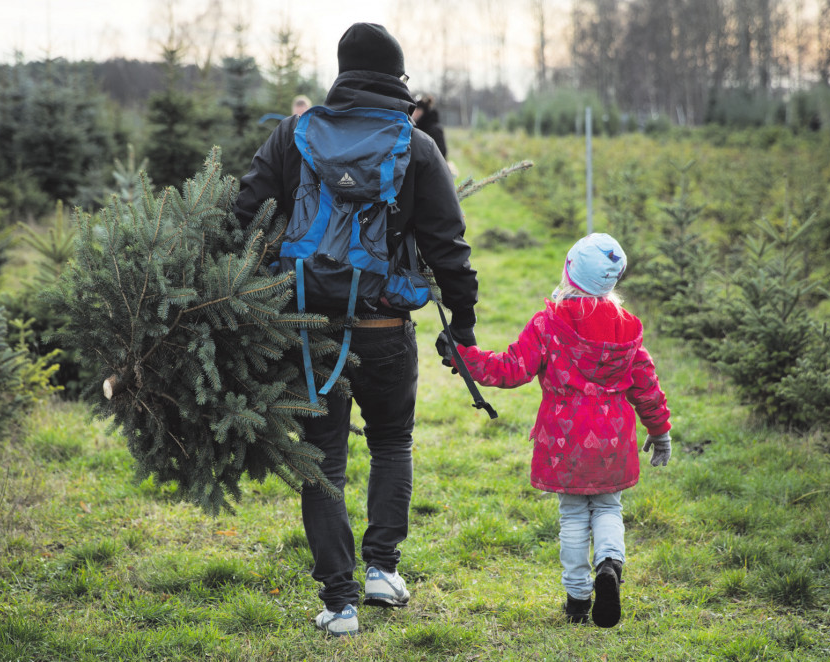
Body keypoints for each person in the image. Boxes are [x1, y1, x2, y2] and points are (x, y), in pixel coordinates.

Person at [233, 22, 479, 636]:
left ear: (342, 73)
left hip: (306, 325)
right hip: (385, 324)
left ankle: (339, 604)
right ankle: (382, 572)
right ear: (395, 79)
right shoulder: (415, 144)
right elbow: (449, 245)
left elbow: (243, 215)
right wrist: (464, 327)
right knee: (392, 442)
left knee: (324, 463)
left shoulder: (292, 134)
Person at [440, 233, 672, 629]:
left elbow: (512, 368)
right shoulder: (627, 328)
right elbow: (645, 383)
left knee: (573, 517)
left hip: (565, 438)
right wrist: (660, 430)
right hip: (612, 438)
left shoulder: (549, 322)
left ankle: (578, 599)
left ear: (569, 273)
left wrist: (464, 357)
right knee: (608, 507)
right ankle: (610, 564)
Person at [411, 93, 446, 158]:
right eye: (414, 109)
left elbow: (441, 153)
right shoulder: (413, 127)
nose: (414, 113)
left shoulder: (435, 130)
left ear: (424, 111)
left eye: (418, 109)